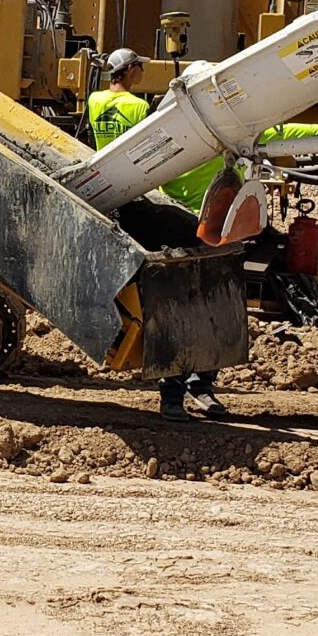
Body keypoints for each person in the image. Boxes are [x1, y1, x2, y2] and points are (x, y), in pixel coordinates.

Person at [86, 48, 225, 421]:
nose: (141, 74)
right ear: (130, 71)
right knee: (178, 300)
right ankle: (178, 390)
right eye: (139, 69)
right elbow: (155, 149)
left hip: (113, 198)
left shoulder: (95, 100)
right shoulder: (137, 108)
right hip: (141, 194)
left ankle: (185, 385)